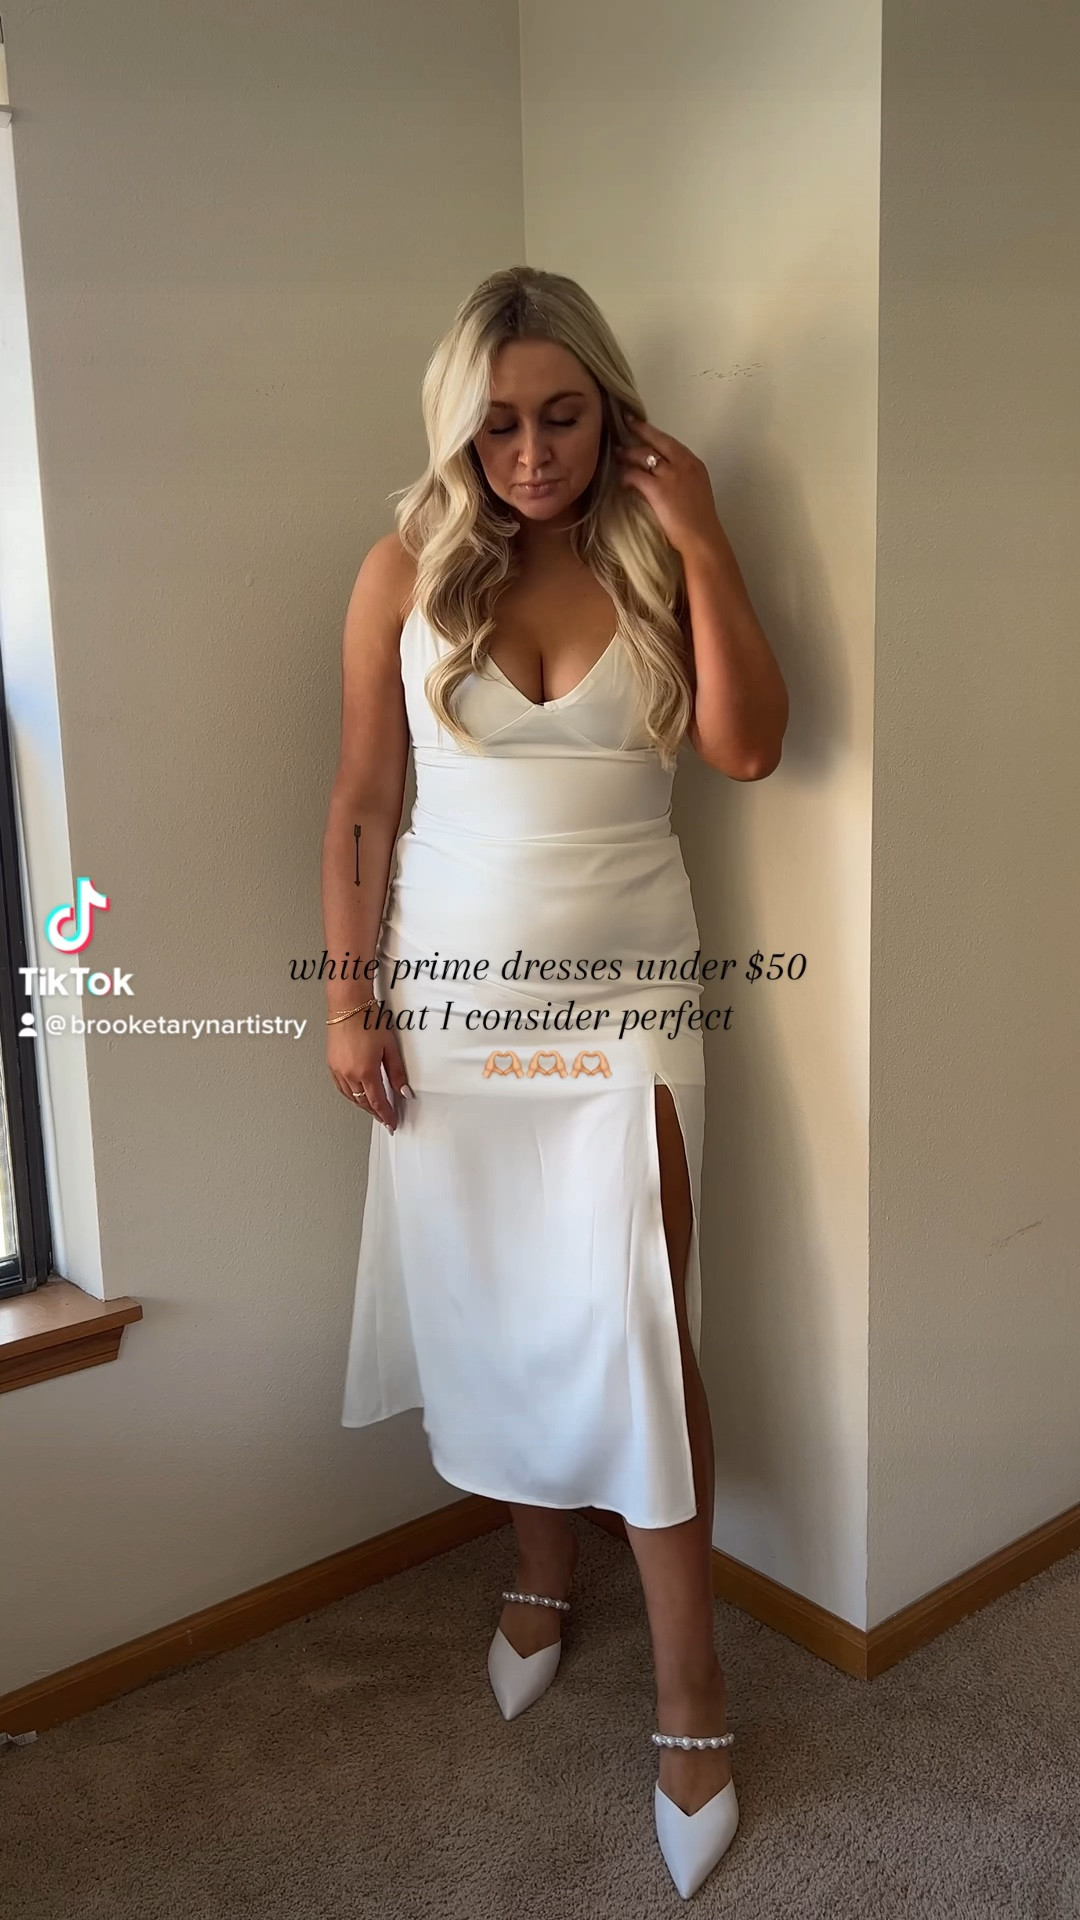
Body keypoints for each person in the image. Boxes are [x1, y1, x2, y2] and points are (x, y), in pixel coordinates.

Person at [321, 265, 787, 1900]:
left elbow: (747, 748)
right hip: (449, 1011)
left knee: (641, 1326)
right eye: (499, 424)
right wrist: (350, 1001)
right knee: (496, 1304)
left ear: (612, 409)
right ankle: (537, 1573)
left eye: (564, 416)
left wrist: (707, 539)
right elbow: (363, 799)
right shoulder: (405, 568)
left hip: (629, 1007)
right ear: (460, 428)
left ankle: (692, 1690)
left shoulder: (657, 551)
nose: (531, 453)